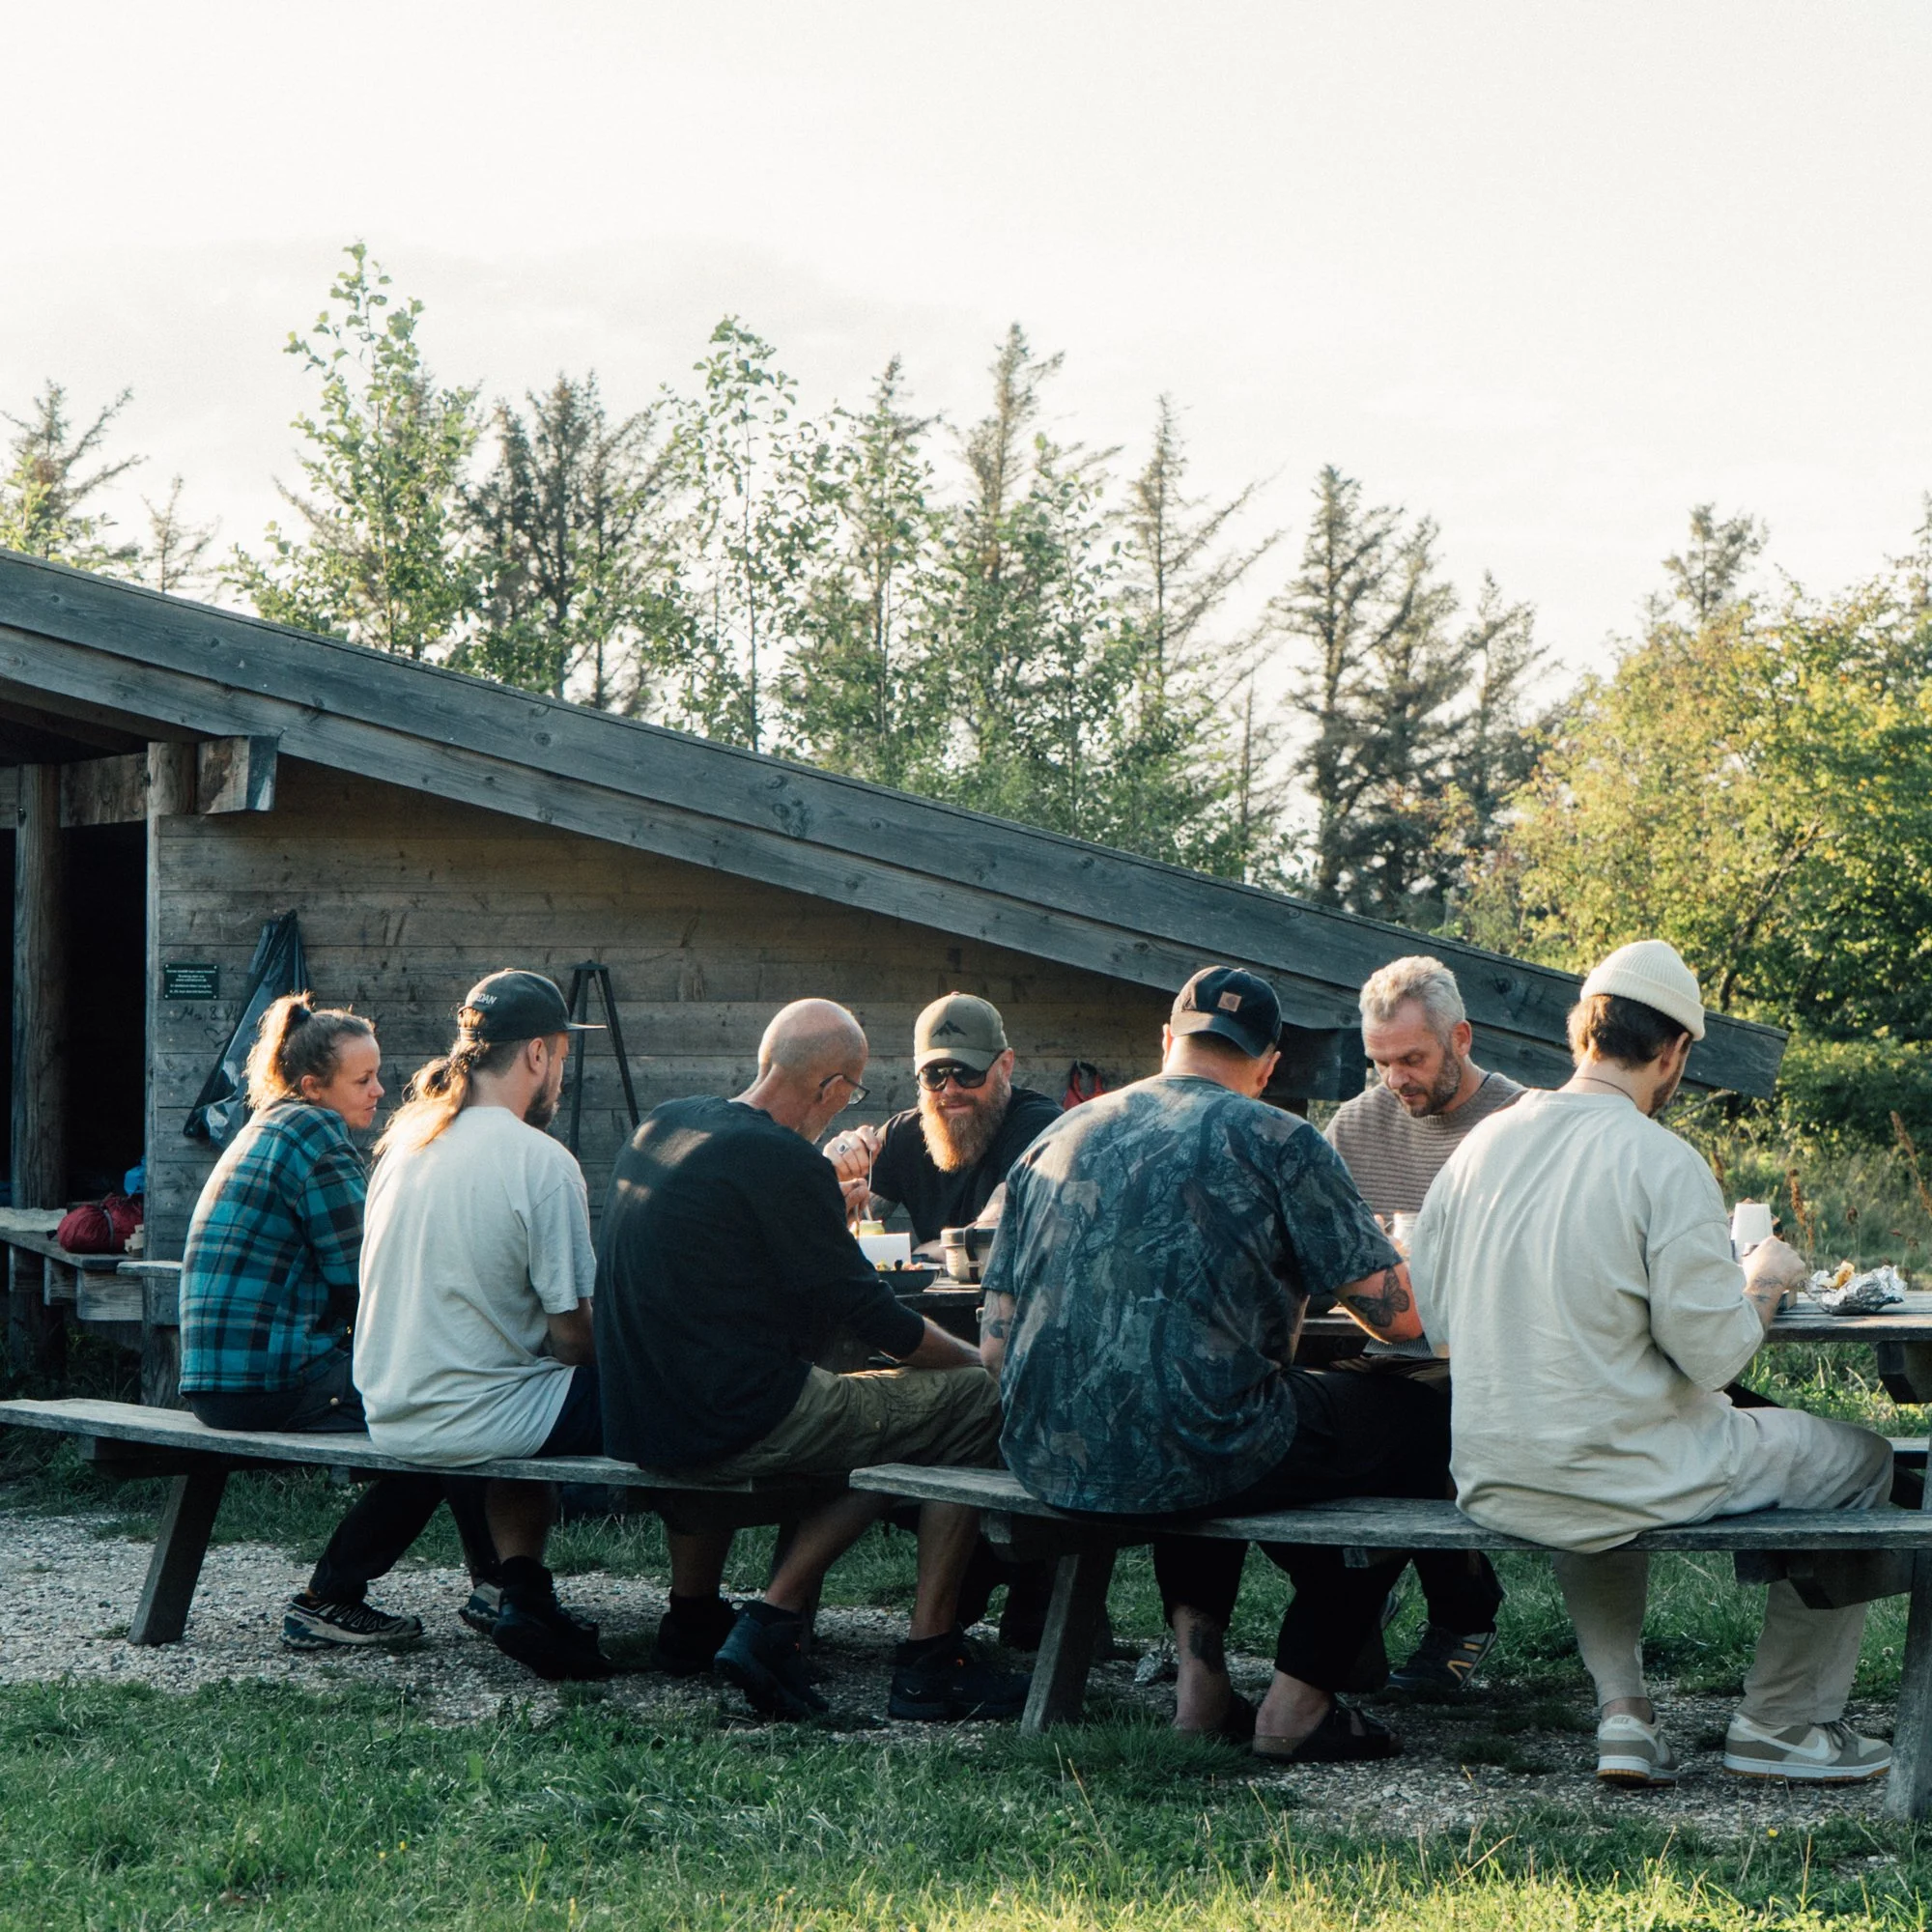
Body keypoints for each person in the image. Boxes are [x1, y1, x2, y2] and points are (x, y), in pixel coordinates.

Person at [1411, 940, 1895, 1785]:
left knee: (1597, 1445)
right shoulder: (1660, 1159)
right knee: (1864, 1459)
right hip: (1616, 1468)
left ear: (1580, 1036)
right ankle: (1782, 1725)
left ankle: (1625, 1716)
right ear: (1672, 1053)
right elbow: (1714, 1357)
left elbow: (1440, 1326)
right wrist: (1765, 1283)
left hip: (1493, 1468)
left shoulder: (1476, 1150)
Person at [986, 965, 1451, 1763]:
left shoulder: (1050, 1137)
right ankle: (1297, 1704)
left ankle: (1200, 1684)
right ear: (1268, 1065)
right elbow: (1396, 1314)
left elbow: (995, 1343)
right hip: (1207, 1441)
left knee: (1206, 1399)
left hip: (1047, 1449)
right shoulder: (1280, 1139)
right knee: (1422, 1424)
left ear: (1166, 1042)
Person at [594, 998, 1030, 1723]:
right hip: (733, 1421)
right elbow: (876, 1319)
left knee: (866, 1410)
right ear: (833, 1090)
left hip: (638, 1415)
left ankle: (692, 1619)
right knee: (970, 1405)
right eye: (850, 1094)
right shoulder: (783, 1159)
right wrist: (976, 1364)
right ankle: (903, 1651)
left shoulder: (666, 1123)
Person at [179, 993, 499, 1652]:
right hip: (270, 1377)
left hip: (219, 1380)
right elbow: (368, 1279)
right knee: (441, 1415)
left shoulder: (270, 1125)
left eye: (379, 1074)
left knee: (439, 1407)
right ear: (311, 1084)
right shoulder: (318, 1140)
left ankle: (497, 1587)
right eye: (364, 1080)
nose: (381, 1091)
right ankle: (334, 1597)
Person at [354, 970, 611, 1683]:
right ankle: (703, 1608)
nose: (560, 1070)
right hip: (477, 1414)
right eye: (560, 1055)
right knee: (672, 1397)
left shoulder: (404, 1148)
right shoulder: (542, 1162)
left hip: (393, 1405)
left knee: (528, 1387)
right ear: (536, 1054)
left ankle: (521, 1588)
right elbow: (571, 1337)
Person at [1320, 955, 1522, 1695]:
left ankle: (1459, 1615)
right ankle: (1348, 1622)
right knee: (1300, 1425)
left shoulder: (1518, 1122)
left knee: (1417, 1427)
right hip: (1378, 1347)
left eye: (1413, 1059)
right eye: (1381, 1063)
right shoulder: (1356, 1124)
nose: (1395, 1078)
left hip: (1491, 1353)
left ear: (1460, 1038)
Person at [822, 993, 1061, 1250]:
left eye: (966, 1072)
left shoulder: (1039, 1125)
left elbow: (994, 1239)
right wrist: (835, 1177)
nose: (949, 1089)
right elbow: (837, 1229)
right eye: (933, 1075)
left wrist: (927, 1252)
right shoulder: (903, 1135)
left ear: (1005, 1065)